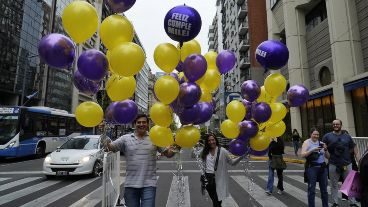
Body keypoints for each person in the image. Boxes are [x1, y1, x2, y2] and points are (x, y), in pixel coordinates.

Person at [104, 114, 175, 207]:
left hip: (149, 184)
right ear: (134, 124)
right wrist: (104, 135)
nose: (141, 124)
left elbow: (168, 154)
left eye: (144, 122)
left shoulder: (155, 138)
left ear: (148, 124)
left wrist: (177, 146)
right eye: (139, 122)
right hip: (130, 185)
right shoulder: (125, 138)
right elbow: (111, 148)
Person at [322, 119, 360, 207]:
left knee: (349, 184)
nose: (335, 125)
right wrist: (326, 150)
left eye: (337, 124)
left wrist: (358, 160)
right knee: (333, 184)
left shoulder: (347, 136)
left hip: (347, 164)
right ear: (332, 126)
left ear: (341, 125)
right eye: (334, 124)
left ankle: (353, 203)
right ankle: (335, 203)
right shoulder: (327, 136)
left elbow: (354, 147)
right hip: (333, 164)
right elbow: (326, 154)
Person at [200, 133, 244, 207]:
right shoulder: (205, 152)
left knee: (217, 202)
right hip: (208, 180)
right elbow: (203, 168)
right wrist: (202, 183)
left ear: (216, 140)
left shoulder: (222, 151)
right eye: (209, 140)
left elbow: (232, 163)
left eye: (212, 140)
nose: (211, 142)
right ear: (207, 142)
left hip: (219, 180)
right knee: (215, 201)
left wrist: (241, 156)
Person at [301, 128, 330, 207]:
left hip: (322, 168)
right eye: (314, 134)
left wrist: (326, 149)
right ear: (311, 134)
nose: (316, 136)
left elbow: (328, 157)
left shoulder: (321, 143)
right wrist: (312, 150)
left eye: (317, 134)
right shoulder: (307, 142)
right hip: (312, 167)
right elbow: (302, 155)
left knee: (324, 190)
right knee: (311, 190)